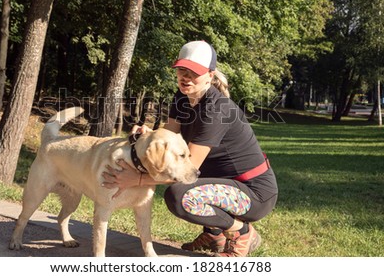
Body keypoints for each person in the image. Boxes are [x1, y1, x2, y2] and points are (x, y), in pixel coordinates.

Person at [103, 40, 278, 257]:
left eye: (194, 72)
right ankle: (214, 234)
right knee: (187, 189)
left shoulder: (216, 110)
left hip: (254, 192)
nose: (185, 77)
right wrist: (147, 136)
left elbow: (187, 167)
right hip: (223, 185)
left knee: (180, 196)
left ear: (210, 76)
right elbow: (170, 141)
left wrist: (136, 180)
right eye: (181, 70)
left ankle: (242, 232)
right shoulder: (182, 99)